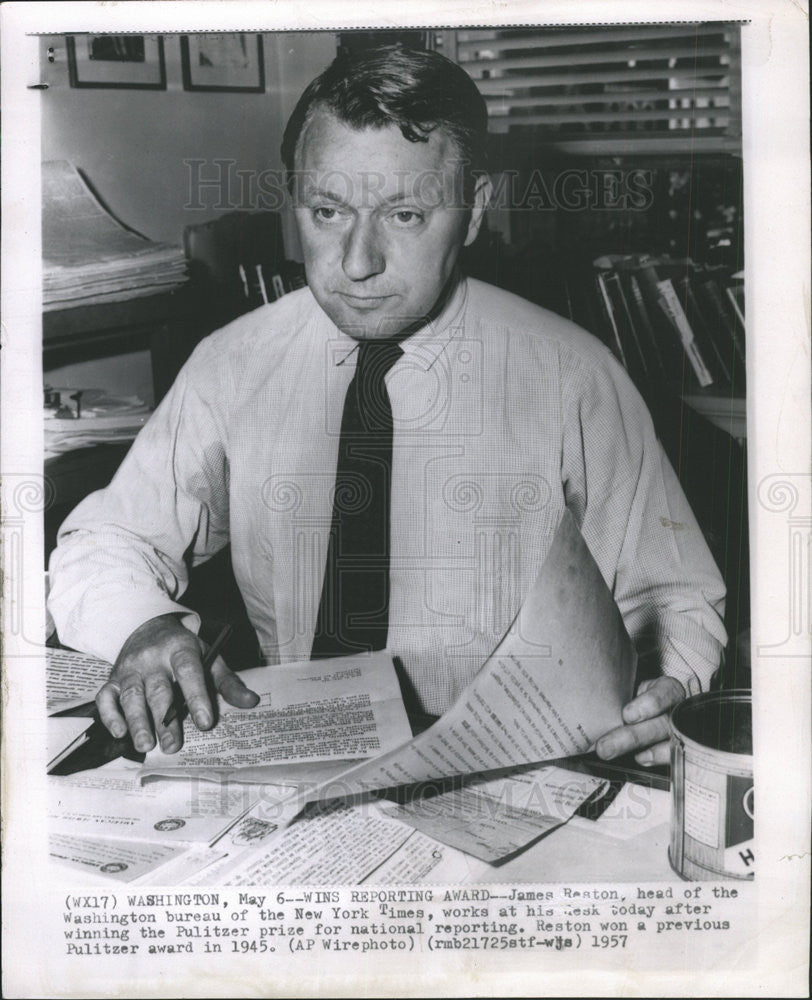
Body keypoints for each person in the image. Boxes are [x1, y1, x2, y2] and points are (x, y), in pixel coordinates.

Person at [48, 44, 726, 768]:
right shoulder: (232, 364)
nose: (358, 261)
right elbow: (105, 543)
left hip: (510, 766)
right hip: (294, 757)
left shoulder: (574, 377)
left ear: (472, 213)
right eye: (327, 210)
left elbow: (679, 599)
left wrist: (667, 690)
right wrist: (144, 625)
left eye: (405, 214)